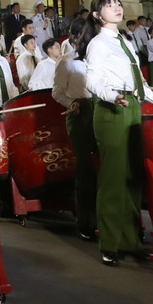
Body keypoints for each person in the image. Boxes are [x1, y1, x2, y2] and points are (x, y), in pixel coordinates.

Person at [83, 0, 153, 266]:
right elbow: (93, 80)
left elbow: (136, 80)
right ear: (98, 15)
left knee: (133, 176)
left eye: (118, 4)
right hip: (113, 109)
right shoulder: (98, 44)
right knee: (113, 177)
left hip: (132, 104)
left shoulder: (124, 40)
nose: (117, 8)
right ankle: (110, 242)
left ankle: (131, 239)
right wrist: (112, 97)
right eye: (109, 6)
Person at [50, 18, 96, 240]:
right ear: (76, 36)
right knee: (85, 168)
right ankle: (86, 222)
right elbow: (57, 91)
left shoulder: (97, 58)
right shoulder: (66, 61)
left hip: (100, 108)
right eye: (86, 33)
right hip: (80, 111)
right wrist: (71, 104)